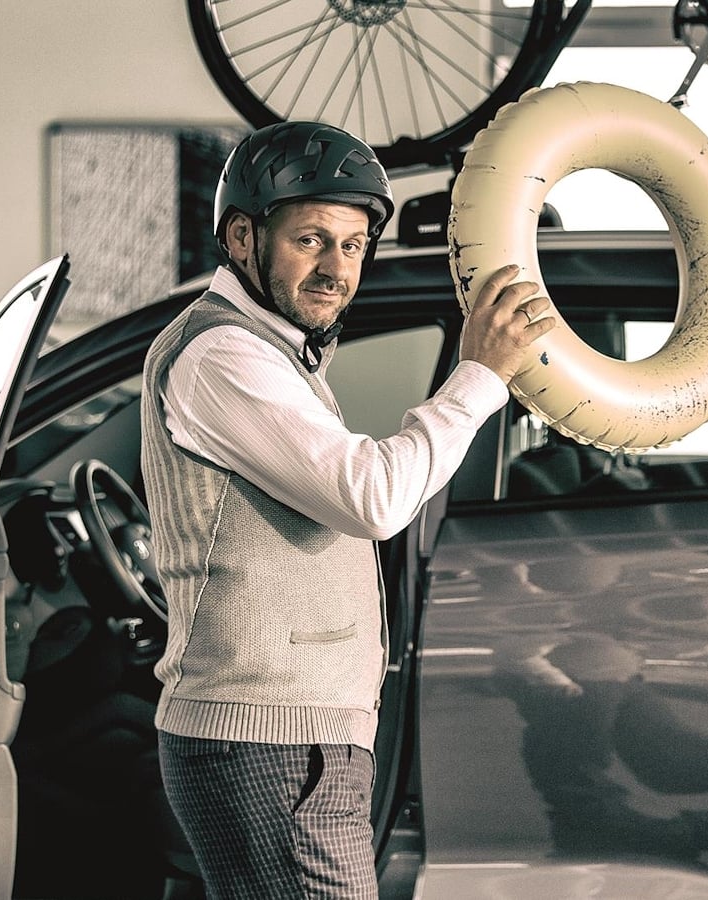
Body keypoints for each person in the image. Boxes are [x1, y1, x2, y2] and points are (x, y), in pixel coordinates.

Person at [138, 120, 557, 899]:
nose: (337, 268)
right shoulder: (222, 354)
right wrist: (479, 376)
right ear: (242, 237)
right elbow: (374, 496)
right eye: (312, 240)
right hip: (269, 743)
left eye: (354, 245)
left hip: (293, 741)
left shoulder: (274, 351)